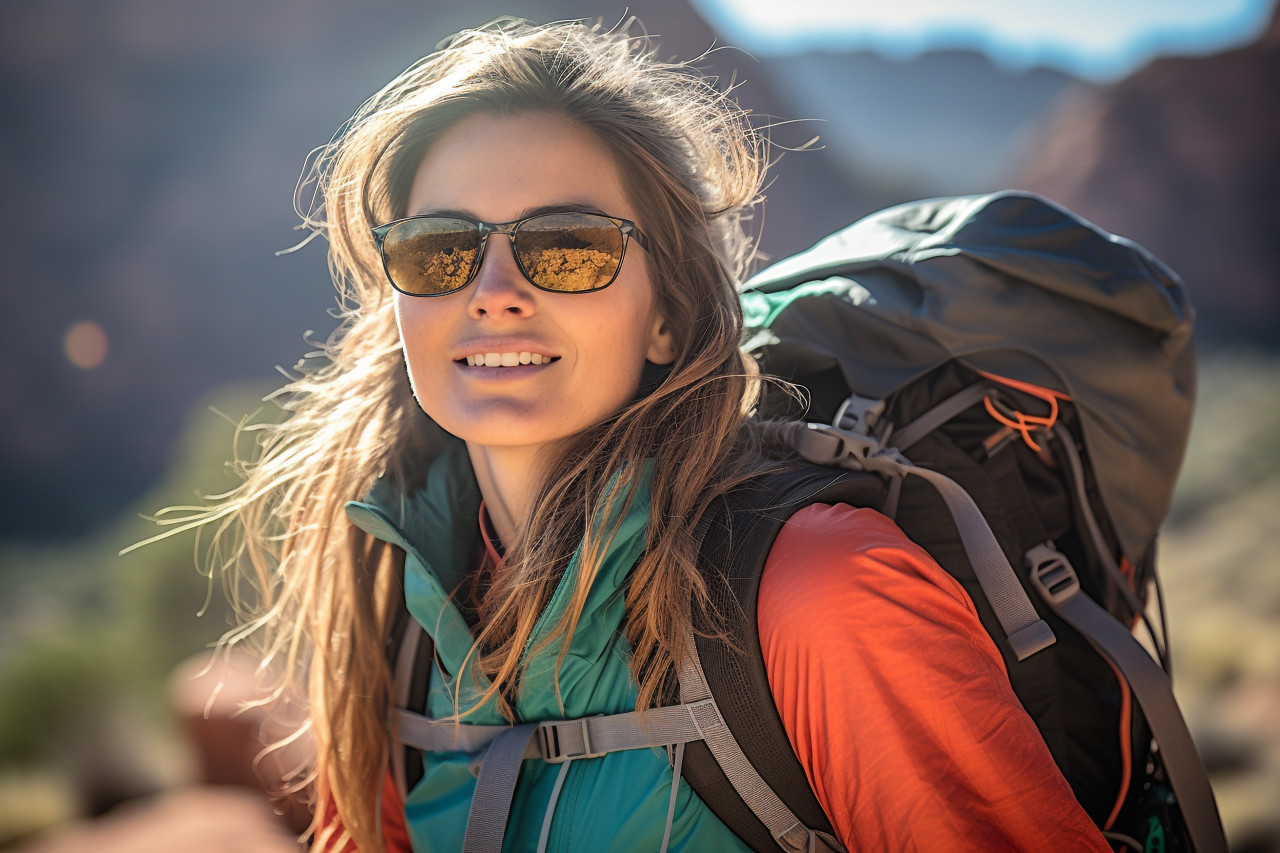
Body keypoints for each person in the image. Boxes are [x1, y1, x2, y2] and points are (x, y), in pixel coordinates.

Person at [213, 17, 1114, 853]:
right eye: (439, 249)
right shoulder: (403, 606)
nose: (492, 289)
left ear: (669, 319)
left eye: (568, 246)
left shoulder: (819, 596)